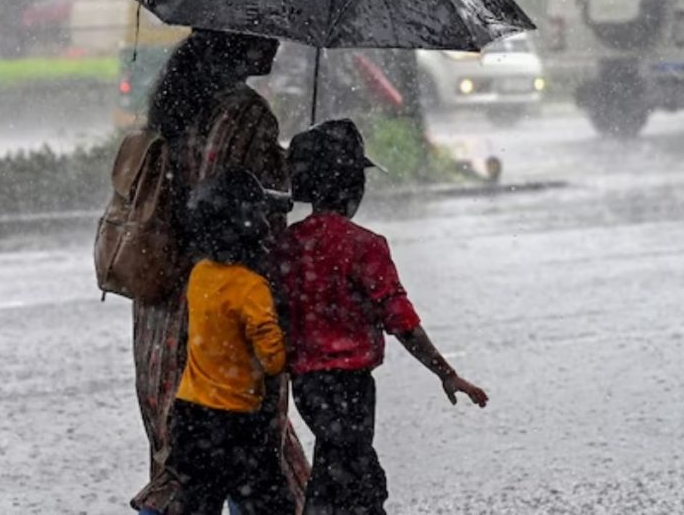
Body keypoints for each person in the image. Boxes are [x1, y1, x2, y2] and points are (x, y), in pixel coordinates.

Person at [131, 30, 308, 513]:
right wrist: (291, 180)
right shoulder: (245, 112)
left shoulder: (176, 102)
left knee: (182, 446)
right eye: (267, 33)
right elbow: (242, 201)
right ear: (240, 41)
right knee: (252, 444)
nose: (277, 44)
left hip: (166, 298)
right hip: (225, 297)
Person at [277, 119, 489, 515]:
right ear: (354, 187)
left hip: (305, 385)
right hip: (352, 386)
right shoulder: (365, 247)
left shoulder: (287, 245)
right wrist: (445, 371)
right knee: (353, 476)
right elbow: (401, 320)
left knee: (337, 466)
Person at [161, 169, 295, 515]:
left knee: (198, 503)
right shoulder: (252, 288)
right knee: (270, 504)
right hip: (237, 424)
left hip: (190, 417)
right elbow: (274, 361)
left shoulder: (199, 275)